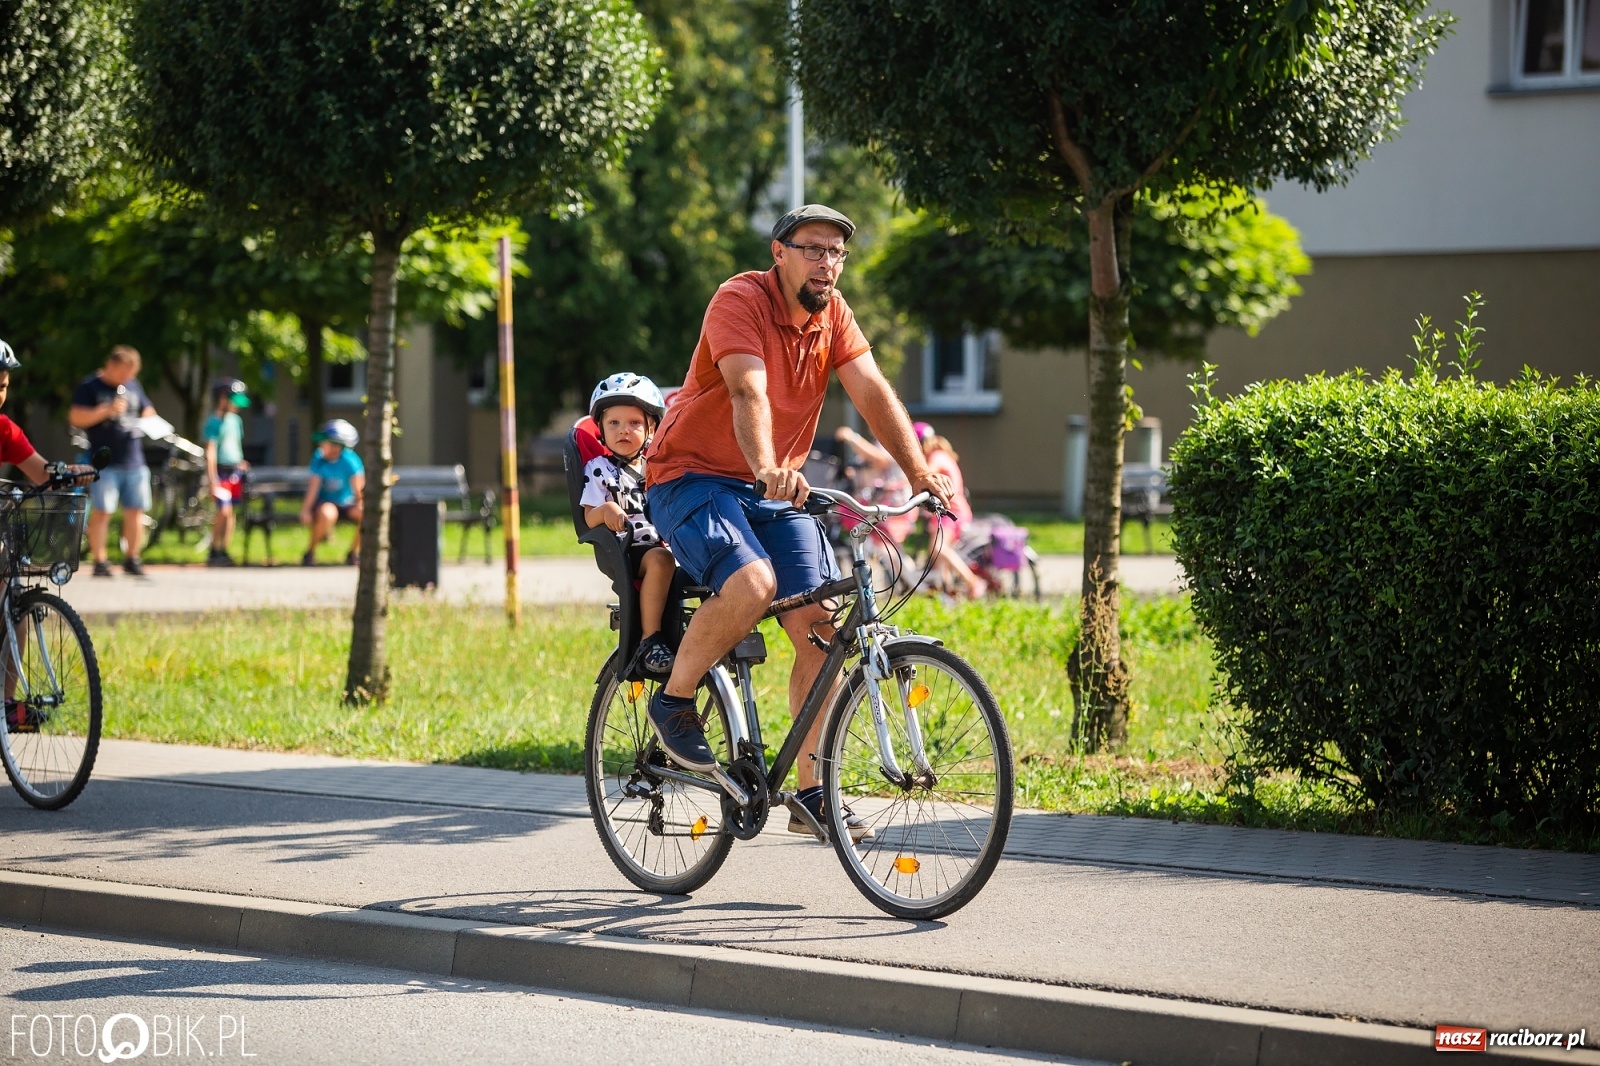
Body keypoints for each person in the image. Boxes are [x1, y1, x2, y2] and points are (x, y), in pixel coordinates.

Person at [643, 203, 955, 844]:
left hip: (770, 486)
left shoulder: (833, 315)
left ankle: (810, 793)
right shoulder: (740, 298)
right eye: (813, 248)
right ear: (779, 252)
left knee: (817, 626)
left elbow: (869, 389)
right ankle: (673, 701)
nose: (827, 262)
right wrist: (766, 465)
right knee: (752, 585)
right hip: (691, 478)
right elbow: (746, 391)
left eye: (836, 252)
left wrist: (919, 472)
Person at [0, 340, 97, 730]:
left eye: (3, 385)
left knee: (14, 605)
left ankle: (5, 705)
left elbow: (41, 472)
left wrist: (67, 472)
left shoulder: (4, 428)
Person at [580, 372, 677, 677]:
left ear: (651, 428)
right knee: (661, 561)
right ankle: (651, 640)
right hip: (628, 548)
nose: (624, 430)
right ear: (601, 429)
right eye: (614, 423)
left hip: (666, 544)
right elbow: (588, 516)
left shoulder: (657, 467)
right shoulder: (600, 469)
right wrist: (606, 510)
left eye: (634, 423)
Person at [69, 345, 158, 578]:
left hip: (134, 460)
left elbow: (149, 410)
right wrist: (106, 410)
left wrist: (146, 419)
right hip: (104, 461)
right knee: (103, 511)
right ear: (111, 365)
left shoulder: (133, 386)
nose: (127, 378)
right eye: (124, 372)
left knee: (135, 511)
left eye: (131, 374)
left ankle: (132, 557)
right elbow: (76, 417)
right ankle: (100, 561)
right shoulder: (90, 387)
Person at [913, 420, 986, 599]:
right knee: (940, 557)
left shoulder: (936, 457)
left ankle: (973, 582)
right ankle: (949, 593)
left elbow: (927, 476)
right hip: (947, 513)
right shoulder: (943, 454)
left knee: (938, 548)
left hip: (952, 513)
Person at [298, 419, 364, 566]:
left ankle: (353, 552)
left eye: (325, 442)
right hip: (326, 502)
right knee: (328, 513)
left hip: (346, 503)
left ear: (337, 446)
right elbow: (313, 488)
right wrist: (306, 510)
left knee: (365, 514)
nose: (320, 445)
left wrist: (361, 504)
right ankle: (310, 552)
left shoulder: (350, 461)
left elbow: (359, 491)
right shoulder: (319, 458)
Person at [202, 377, 251, 566]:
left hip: (234, 471)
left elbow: (235, 445)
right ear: (222, 398)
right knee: (224, 509)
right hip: (220, 472)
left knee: (231, 513)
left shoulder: (236, 420)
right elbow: (211, 450)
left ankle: (224, 549)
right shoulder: (214, 422)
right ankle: (214, 549)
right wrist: (212, 476)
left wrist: (240, 461)